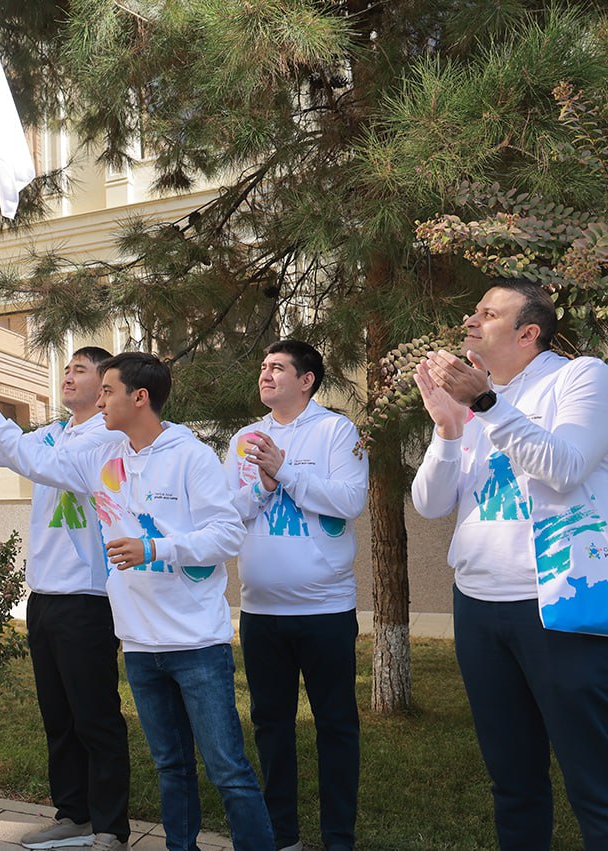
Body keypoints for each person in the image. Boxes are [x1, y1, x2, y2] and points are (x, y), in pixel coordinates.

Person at [0, 353, 274, 851]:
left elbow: (226, 534)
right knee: (171, 766)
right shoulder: (102, 455)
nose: (99, 399)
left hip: (196, 641)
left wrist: (155, 548)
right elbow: (32, 459)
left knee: (227, 769)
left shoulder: (190, 455)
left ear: (139, 397)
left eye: (108, 390)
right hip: (138, 641)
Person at [411, 278, 608, 850]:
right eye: (472, 309)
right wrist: (447, 429)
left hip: (563, 605)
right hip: (478, 608)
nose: (470, 320)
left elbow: (563, 467)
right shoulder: (476, 400)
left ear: (528, 333)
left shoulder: (581, 377)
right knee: (512, 783)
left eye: (487, 313)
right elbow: (430, 503)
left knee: (596, 782)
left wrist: (486, 406)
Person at [0, 347, 132, 851]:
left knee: (95, 714)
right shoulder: (52, 432)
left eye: (81, 371)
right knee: (58, 716)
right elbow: (2, 451)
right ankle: (73, 812)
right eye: (66, 369)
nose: (68, 377)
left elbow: (36, 459)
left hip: (88, 594)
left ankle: (109, 824)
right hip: (45, 593)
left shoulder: (109, 437)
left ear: (106, 383)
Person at [224, 341, 367, 851]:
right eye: (262, 366)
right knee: (271, 726)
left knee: (335, 727)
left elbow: (350, 500)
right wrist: (262, 487)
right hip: (261, 610)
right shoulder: (244, 438)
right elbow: (227, 513)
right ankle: (281, 836)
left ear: (306, 380)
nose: (265, 374)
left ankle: (337, 839)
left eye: (277, 367)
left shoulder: (336, 430)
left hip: (325, 609)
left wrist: (284, 470)